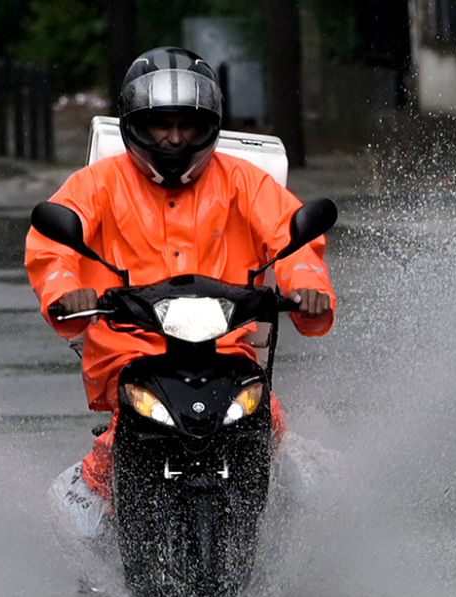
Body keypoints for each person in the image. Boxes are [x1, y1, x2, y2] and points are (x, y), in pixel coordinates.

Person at [25, 47, 336, 539]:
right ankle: (93, 482)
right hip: (128, 348)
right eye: (159, 124)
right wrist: (68, 292)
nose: (173, 137)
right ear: (134, 124)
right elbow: (51, 246)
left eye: (187, 125)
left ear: (209, 123)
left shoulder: (245, 183)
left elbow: (293, 238)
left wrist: (307, 288)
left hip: (223, 345)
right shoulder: (97, 184)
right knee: (96, 485)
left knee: (268, 419)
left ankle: (278, 488)